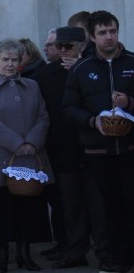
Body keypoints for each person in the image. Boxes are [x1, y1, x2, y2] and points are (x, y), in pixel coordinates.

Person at [62, 11, 134, 272]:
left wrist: (129, 104)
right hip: (97, 151)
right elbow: (69, 108)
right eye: (103, 33)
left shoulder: (132, 62)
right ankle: (116, 260)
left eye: (113, 31)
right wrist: (93, 122)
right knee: (108, 208)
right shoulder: (82, 69)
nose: (109, 37)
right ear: (92, 37)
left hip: (129, 148)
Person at [38, 26, 112, 269]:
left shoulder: (96, 67)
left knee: (99, 205)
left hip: (95, 146)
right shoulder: (47, 74)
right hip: (63, 149)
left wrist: (81, 69)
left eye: (67, 46)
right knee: (70, 206)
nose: (62, 51)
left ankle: (105, 253)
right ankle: (75, 250)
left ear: (83, 45)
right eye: (59, 46)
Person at [0, 38, 53, 273]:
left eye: (14, 60)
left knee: (28, 210)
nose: (10, 64)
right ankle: (2, 257)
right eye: (5, 60)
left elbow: (43, 117)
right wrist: (17, 143)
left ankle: (24, 254)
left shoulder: (32, 86)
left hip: (30, 156)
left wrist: (31, 142)